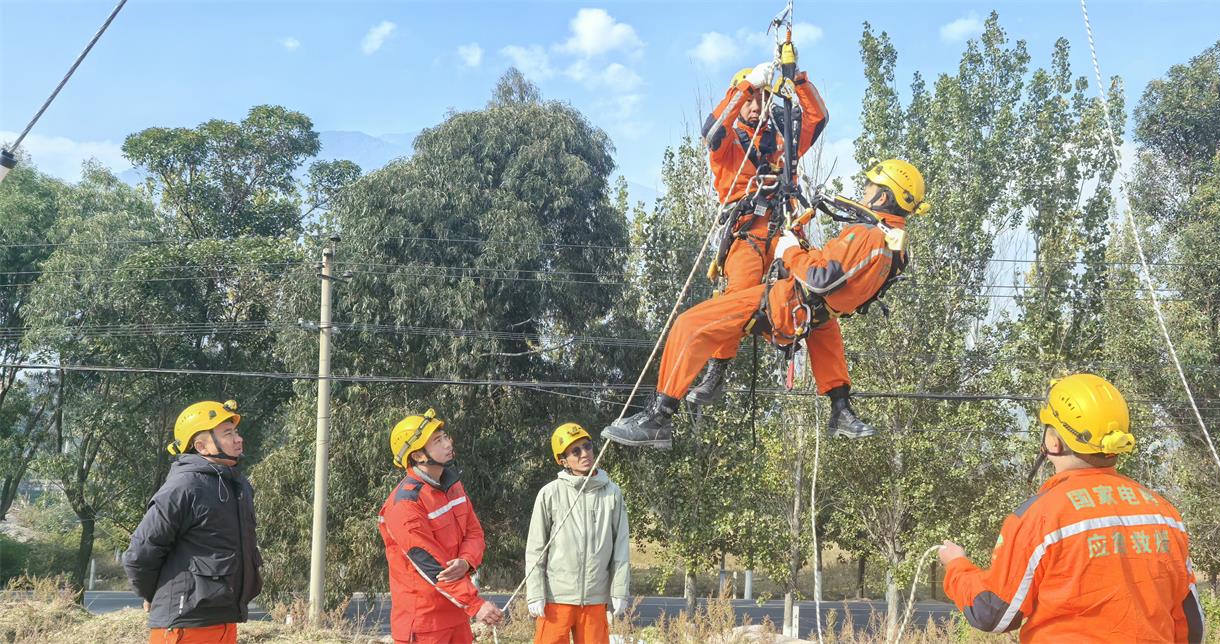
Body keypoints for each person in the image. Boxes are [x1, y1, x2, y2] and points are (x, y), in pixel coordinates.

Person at [604, 160, 928, 449]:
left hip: (784, 305)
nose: (864, 191)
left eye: (871, 187)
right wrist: (802, 248)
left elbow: (820, 278)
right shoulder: (896, 250)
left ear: (884, 197)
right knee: (825, 330)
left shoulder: (868, 235)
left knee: (690, 325)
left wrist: (791, 251)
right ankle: (841, 409)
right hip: (815, 314)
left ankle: (659, 418)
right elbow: (840, 284)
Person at [937, 374, 1205, 642]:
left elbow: (993, 613)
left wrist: (957, 566)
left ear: (1054, 442)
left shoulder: (1039, 517)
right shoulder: (1163, 513)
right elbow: (1190, 623)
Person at [686, 45, 829, 407]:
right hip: (747, 232)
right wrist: (745, 86)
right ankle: (716, 373)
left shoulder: (783, 142)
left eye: (761, 97)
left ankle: (798, 353)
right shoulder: (729, 144)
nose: (755, 104)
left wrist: (797, 79)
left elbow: (817, 119)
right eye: (751, 99)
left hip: (784, 230)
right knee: (736, 300)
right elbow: (712, 131)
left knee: (805, 292)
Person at [124, 399, 261, 644]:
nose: (238, 439)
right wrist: (151, 593)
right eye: (228, 433)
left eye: (236, 432)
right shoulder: (184, 487)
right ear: (201, 446)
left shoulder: (237, 486)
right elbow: (140, 553)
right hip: (185, 625)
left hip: (224, 621)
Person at [380, 409, 504, 643]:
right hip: (424, 625)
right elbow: (431, 566)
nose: (448, 443)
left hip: (456, 617)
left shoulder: (452, 484)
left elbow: (475, 532)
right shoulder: (404, 504)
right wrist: (475, 604)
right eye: (438, 440)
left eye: (445, 436)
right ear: (417, 456)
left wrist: (467, 561)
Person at [526, 423, 630, 643]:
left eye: (588, 446)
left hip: (595, 599)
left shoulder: (612, 493)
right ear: (563, 460)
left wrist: (619, 590)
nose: (585, 454)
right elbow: (535, 549)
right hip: (556, 599)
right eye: (576, 451)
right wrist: (535, 593)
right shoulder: (550, 493)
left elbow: (621, 546)